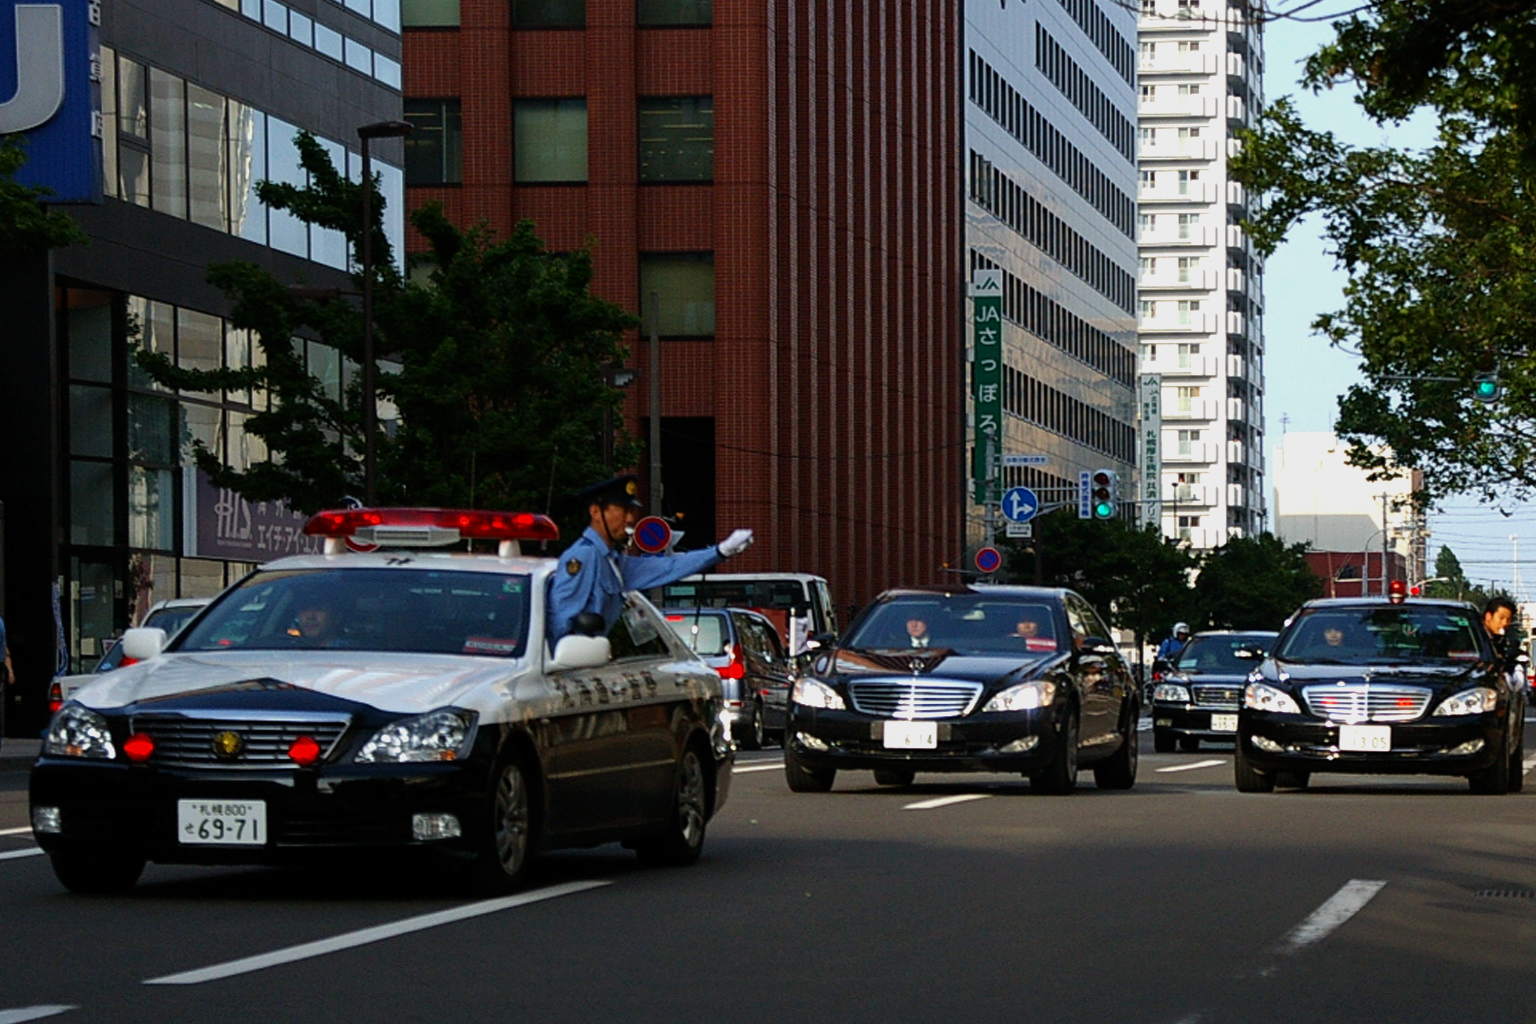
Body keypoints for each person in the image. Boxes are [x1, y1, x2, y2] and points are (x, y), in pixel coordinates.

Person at [546, 474, 755, 643]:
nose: (630, 519)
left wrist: (720, 551)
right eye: (623, 511)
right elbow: (561, 620)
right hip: (575, 669)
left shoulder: (614, 561)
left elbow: (667, 567)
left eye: (632, 511)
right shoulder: (583, 556)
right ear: (596, 512)